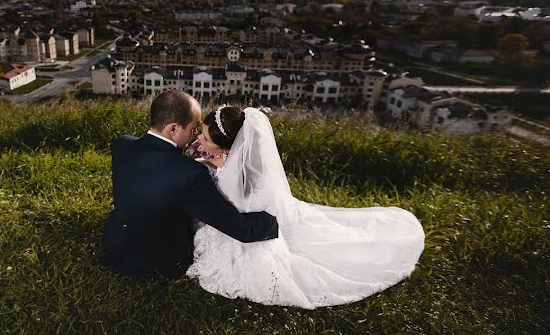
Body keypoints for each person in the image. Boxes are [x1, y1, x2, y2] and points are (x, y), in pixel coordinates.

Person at [186, 105, 426, 309]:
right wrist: (207, 161)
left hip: (250, 221)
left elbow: (234, 203)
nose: (199, 140)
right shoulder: (231, 157)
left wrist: (207, 168)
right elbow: (219, 162)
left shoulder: (246, 175)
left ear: (229, 145)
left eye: (206, 139)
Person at [101, 91, 279, 277]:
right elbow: (242, 230)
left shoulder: (122, 145)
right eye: (193, 128)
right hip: (158, 261)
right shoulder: (190, 173)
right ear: (173, 129)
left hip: (115, 244)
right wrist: (278, 220)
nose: (195, 135)